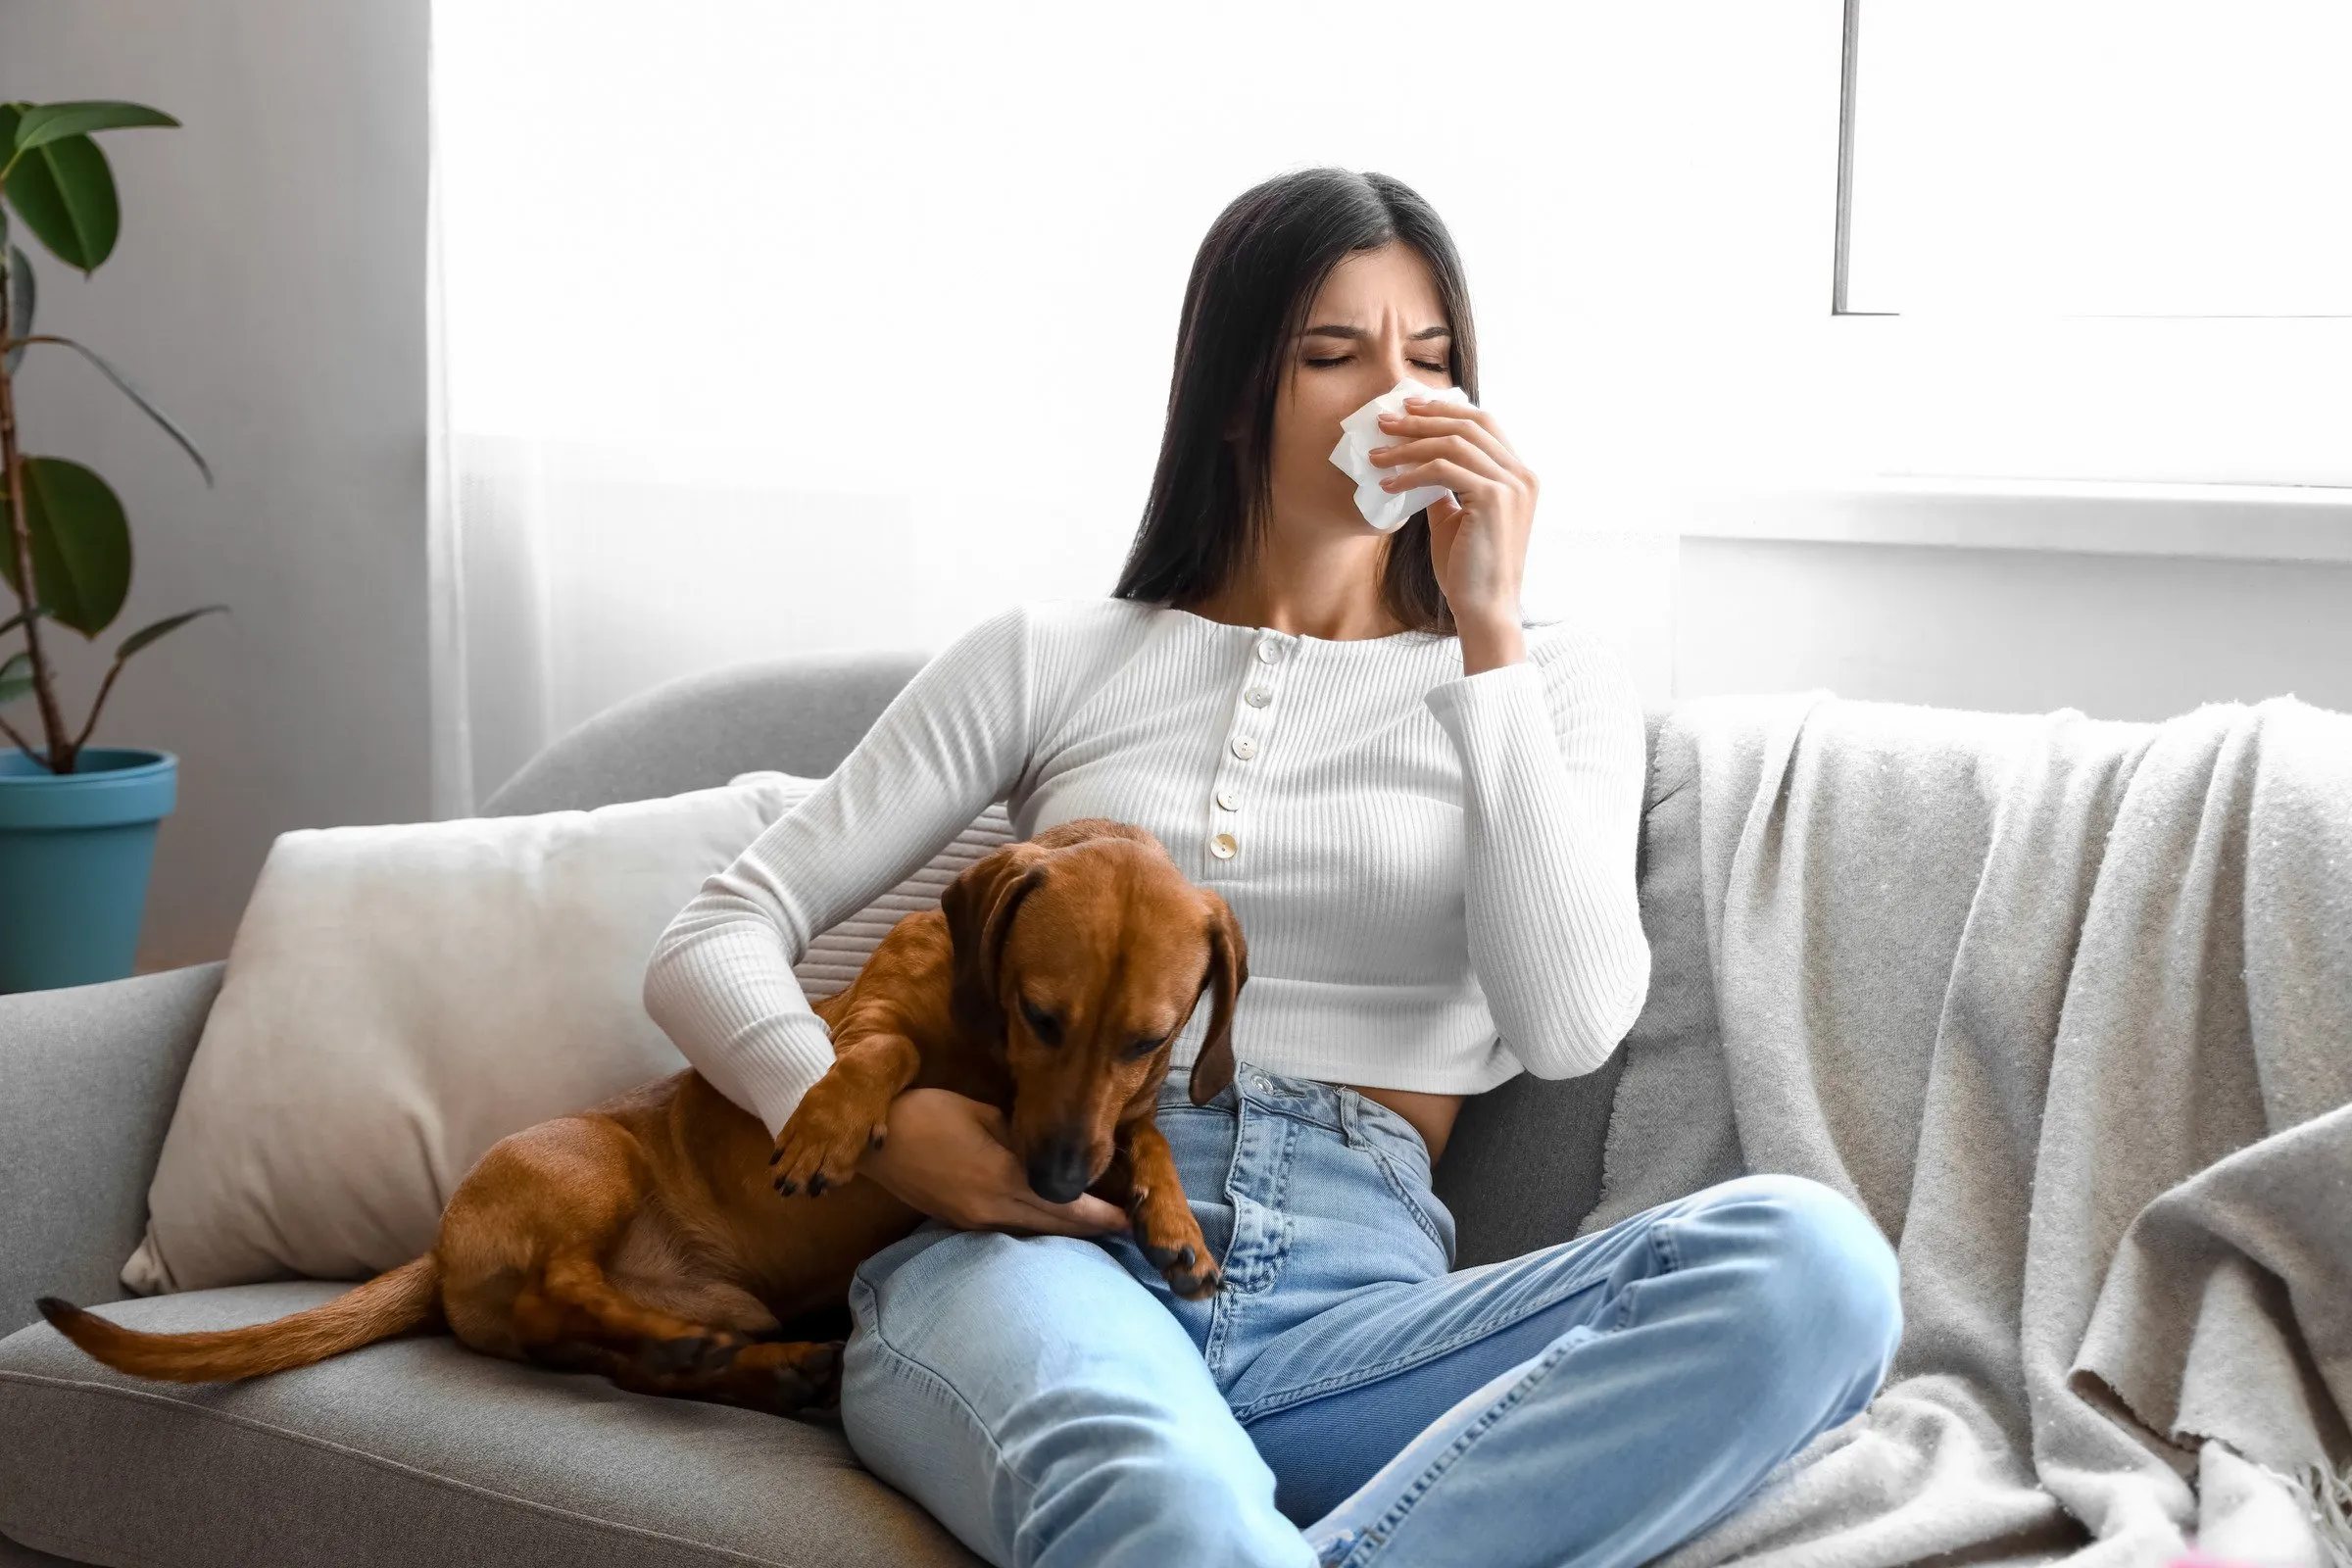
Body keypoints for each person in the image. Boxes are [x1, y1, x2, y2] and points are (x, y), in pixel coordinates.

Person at [643, 167, 1900, 1568]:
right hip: (1039, 1257)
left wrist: (1485, 635)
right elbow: (713, 936)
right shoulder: (1051, 655)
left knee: (1817, 1266)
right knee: (1162, 1497)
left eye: (1431, 358)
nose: (1395, 397)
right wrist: (871, 1122)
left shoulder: (1545, 676)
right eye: (1332, 354)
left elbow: (1570, 1022)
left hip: (1355, 1314)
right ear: (1237, 387)